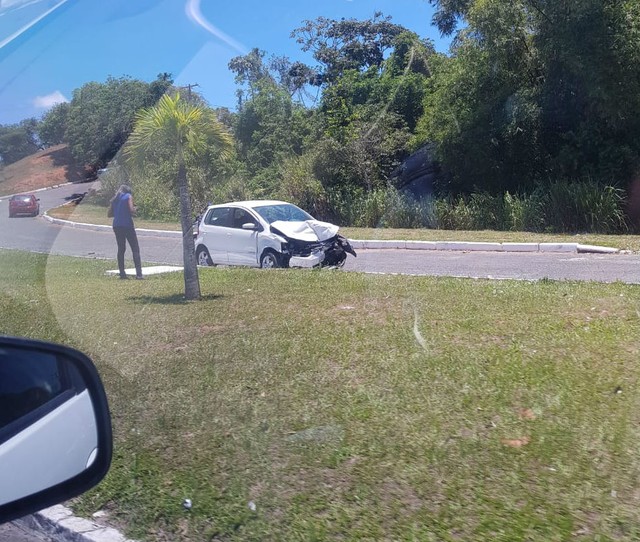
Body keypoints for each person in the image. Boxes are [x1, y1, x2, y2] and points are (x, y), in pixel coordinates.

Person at [110, 184, 143, 279]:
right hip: (127, 225)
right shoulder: (128, 196)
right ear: (128, 191)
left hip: (116, 225)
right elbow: (131, 210)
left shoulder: (115, 199)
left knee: (121, 249)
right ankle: (139, 274)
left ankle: (122, 273)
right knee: (135, 248)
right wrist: (135, 209)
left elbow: (109, 214)